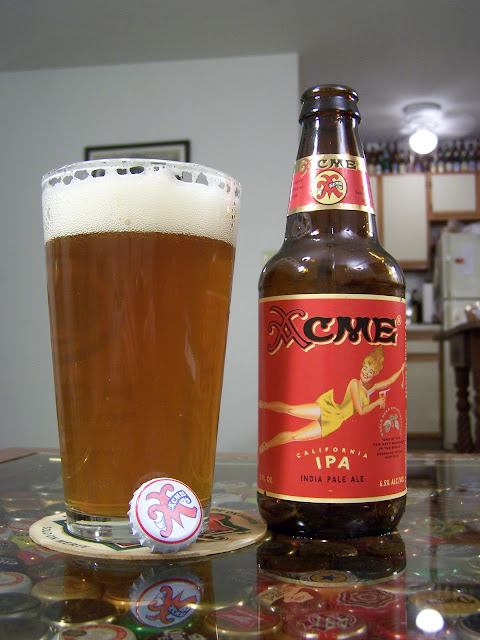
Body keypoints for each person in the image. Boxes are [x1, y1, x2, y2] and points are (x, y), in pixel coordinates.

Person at [259, 346, 405, 453]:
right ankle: (265, 405)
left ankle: (266, 446)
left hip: (335, 421)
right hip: (330, 408)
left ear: (375, 373)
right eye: (365, 368)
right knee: (290, 409)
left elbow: (389, 381)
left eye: (370, 371)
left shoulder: (370, 389)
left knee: (294, 436)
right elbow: (360, 410)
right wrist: (377, 403)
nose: (366, 373)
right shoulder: (355, 384)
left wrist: (401, 368)